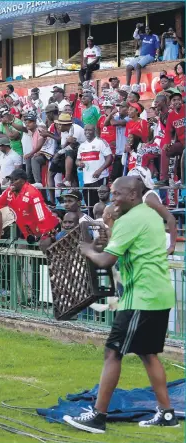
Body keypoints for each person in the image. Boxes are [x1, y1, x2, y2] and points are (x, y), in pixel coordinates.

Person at [64, 177, 177, 433]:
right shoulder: (146, 214)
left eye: (117, 195)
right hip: (157, 295)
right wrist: (112, 223)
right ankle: (167, 414)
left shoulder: (131, 219)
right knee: (148, 354)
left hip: (142, 297)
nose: (112, 199)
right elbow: (122, 246)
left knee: (113, 352)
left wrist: (88, 250)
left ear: (133, 195)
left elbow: (104, 260)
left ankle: (98, 416)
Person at [0, 169, 59, 241]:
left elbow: (42, 215)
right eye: (10, 180)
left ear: (22, 181)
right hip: (29, 231)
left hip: (47, 228)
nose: (11, 183)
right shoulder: (9, 191)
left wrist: (45, 234)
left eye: (15, 180)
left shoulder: (32, 193)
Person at [128, 166, 177, 255]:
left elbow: (170, 218)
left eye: (138, 180)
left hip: (159, 244)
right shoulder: (138, 198)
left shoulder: (149, 198)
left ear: (144, 180)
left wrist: (172, 246)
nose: (135, 184)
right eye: (133, 181)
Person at [77, 124, 113, 206]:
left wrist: (100, 170)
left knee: (100, 205)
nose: (87, 132)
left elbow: (109, 158)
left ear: (95, 131)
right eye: (85, 130)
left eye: (89, 130)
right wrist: (79, 163)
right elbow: (77, 160)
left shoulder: (101, 142)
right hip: (87, 180)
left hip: (100, 178)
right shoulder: (82, 146)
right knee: (89, 204)